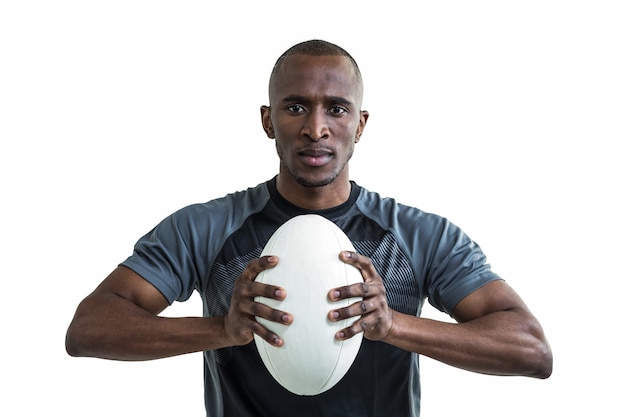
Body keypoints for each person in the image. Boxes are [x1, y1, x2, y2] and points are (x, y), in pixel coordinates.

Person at [65, 39, 552, 416]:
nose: (315, 128)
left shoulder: (419, 235)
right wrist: (223, 329)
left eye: (336, 109)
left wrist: (393, 325)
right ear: (267, 120)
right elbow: (88, 329)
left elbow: (530, 350)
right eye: (295, 106)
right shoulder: (207, 228)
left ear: (360, 124)